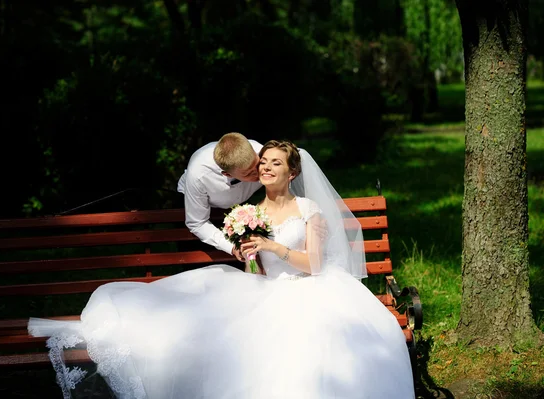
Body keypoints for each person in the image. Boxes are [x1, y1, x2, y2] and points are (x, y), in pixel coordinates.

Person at [28, 140, 415, 399]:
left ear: (291, 173)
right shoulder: (251, 213)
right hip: (267, 289)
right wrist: (248, 253)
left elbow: (314, 264)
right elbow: (255, 270)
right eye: (263, 164)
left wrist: (272, 245)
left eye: (273, 164)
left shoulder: (308, 210)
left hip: (310, 287)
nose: (264, 169)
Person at [177, 132, 263, 261]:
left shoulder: (264, 153)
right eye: (249, 173)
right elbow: (197, 223)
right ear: (227, 174)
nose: (258, 174)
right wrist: (232, 247)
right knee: (200, 261)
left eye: (257, 165)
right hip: (198, 201)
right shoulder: (198, 175)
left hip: (242, 207)